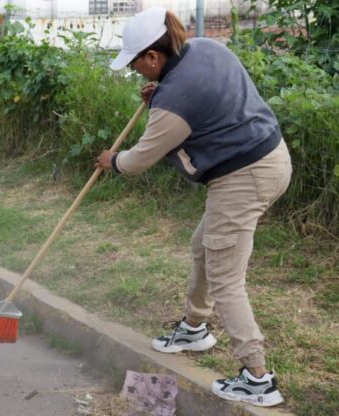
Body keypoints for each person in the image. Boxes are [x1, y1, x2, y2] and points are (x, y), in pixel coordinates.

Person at [96, 7, 292, 407]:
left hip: (243, 176)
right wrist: (161, 93)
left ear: (153, 57)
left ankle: (257, 378)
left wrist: (111, 161)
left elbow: (138, 160)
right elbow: (200, 96)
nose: (136, 72)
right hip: (270, 158)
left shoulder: (174, 101)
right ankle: (193, 327)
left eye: (136, 65)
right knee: (203, 245)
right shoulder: (202, 49)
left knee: (225, 277)